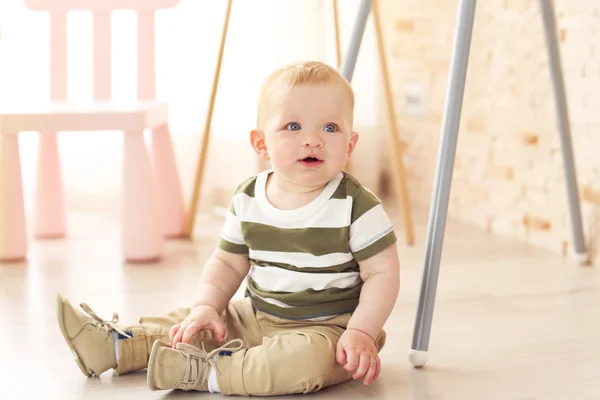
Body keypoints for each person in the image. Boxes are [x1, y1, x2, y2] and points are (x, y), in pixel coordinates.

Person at [56, 60, 401, 396]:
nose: (312, 140)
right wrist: (206, 306)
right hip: (255, 315)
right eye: (293, 127)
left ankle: (207, 372)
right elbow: (227, 263)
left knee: (301, 362)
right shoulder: (248, 196)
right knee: (188, 324)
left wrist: (361, 331)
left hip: (330, 329)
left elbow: (382, 275)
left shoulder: (357, 205)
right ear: (261, 144)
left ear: (350, 144)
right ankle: (116, 346)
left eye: (330, 127)